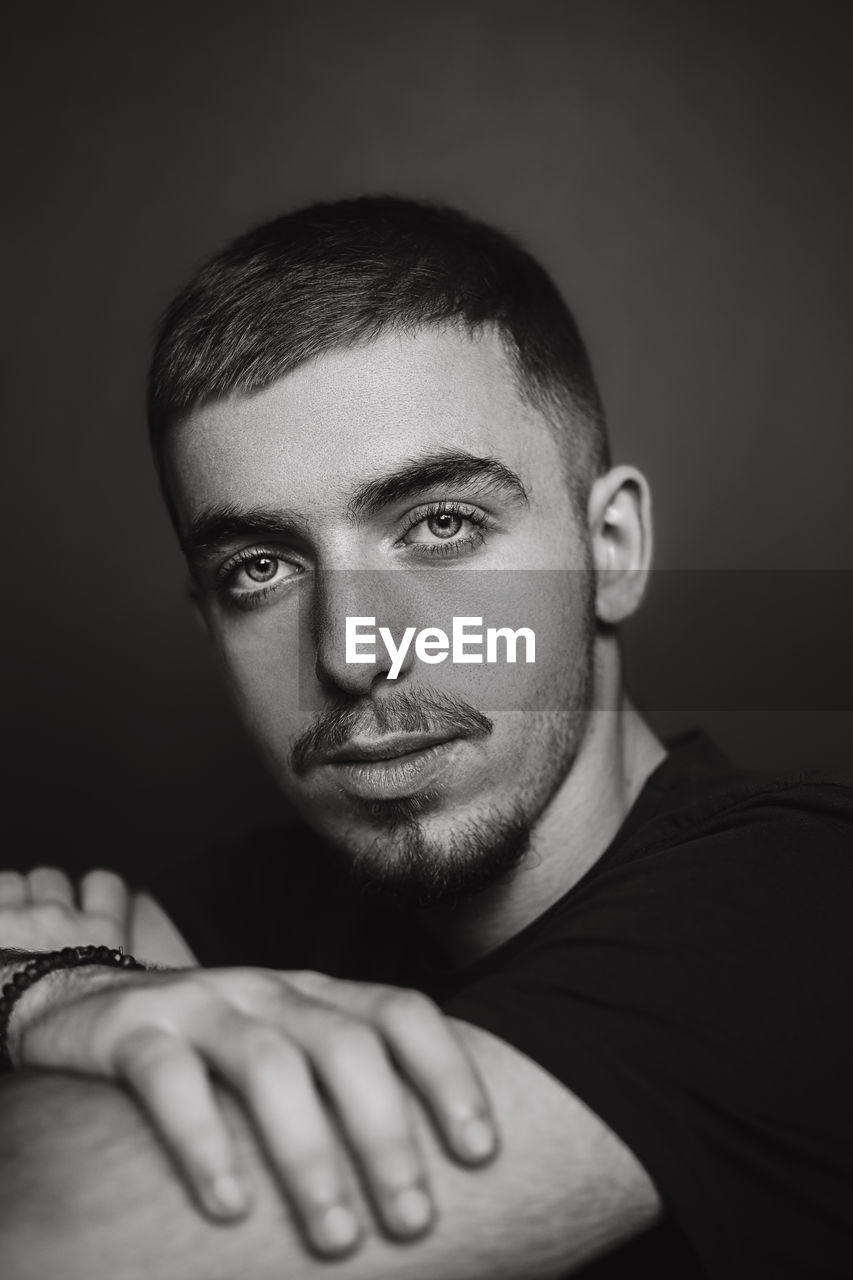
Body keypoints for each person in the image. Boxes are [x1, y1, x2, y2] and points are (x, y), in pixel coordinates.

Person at [1, 197, 851, 1280]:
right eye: (259, 566)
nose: (353, 653)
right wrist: (49, 988)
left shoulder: (802, 905)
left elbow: (58, 1240)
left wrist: (50, 994)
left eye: (440, 523)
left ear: (613, 548)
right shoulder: (285, 898)